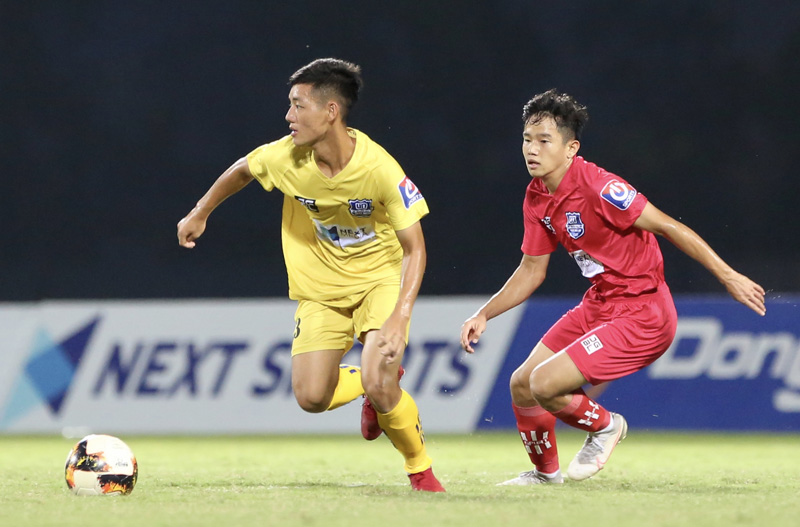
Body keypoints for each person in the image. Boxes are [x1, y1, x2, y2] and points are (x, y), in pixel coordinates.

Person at [460, 89, 766, 486]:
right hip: (600, 305)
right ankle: (545, 475)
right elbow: (532, 270)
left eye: (543, 141)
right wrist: (484, 313)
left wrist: (728, 276)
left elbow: (668, 226)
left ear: (571, 148)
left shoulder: (600, 187)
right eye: (526, 139)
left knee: (545, 384)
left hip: (644, 313)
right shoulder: (536, 196)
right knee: (522, 384)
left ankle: (607, 427)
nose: (531, 150)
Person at [177, 58, 444, 492]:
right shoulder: (287, 156)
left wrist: (400, 315)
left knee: (380, 378)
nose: (288, 116)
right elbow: (243, 169)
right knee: (312, 398)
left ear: (330, 112)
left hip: (379, 281)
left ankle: (420, 470)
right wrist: (200, 212)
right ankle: (371, 388)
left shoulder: (380, 169)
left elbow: (416, 248)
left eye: (298, 106)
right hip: (320, 291)